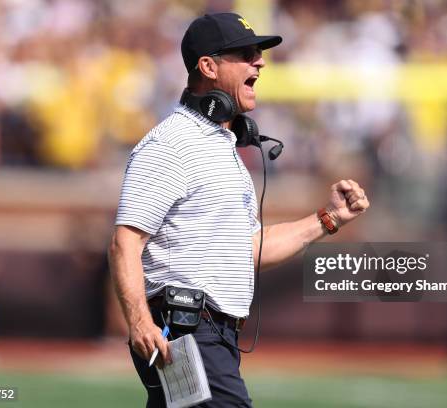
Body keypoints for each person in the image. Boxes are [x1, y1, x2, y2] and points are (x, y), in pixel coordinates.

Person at [108, 12, 370, 407]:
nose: (259, 62)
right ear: (208, 67)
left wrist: (327, 220)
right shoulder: (170, 144)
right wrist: (140, 321)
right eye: (245, 54)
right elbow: (125, 242)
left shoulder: (221, 147)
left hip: (211, 335)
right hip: (187, 331)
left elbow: (249, 249)